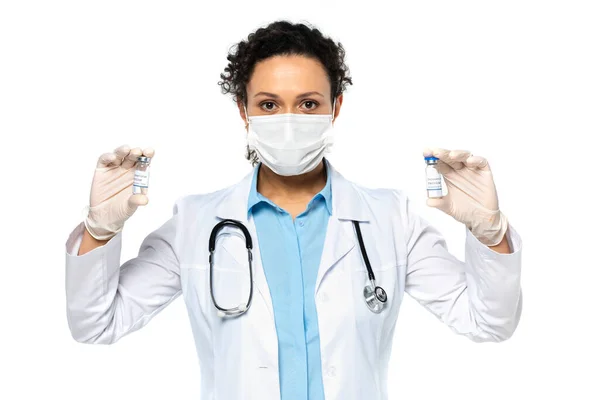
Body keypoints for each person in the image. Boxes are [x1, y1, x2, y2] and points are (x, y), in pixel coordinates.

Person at [65, 20, 523, 400]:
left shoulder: (389, 219)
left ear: (335, 107)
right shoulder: (196, 223)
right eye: (269, 104)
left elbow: (488, 322)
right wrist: (100, 231)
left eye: (308, 104)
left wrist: (490, 233)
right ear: (243, 110)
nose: (289, 121)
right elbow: (96, 324)